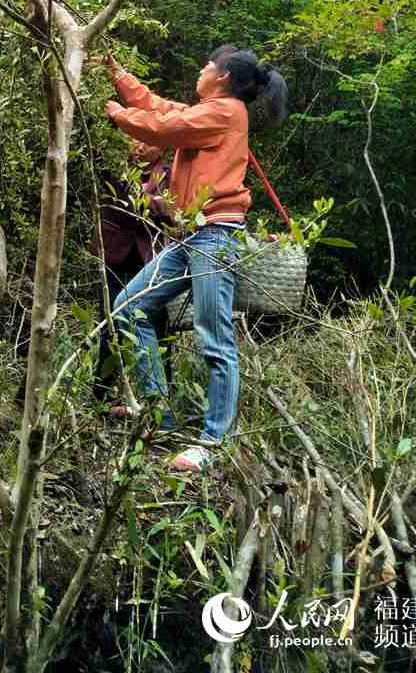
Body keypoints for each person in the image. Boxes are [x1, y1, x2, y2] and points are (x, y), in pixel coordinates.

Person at [103, 45, 288, 473]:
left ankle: (212, 440)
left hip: (214, 234)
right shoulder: (212, 110)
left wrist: (116, 114)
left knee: (215, 337)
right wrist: (116, 73)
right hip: (190, 234)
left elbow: (163, 128)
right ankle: (158, 413)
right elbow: (158, 107)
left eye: (208, 65)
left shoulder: (225, 113)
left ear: (222, 76)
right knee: (128, 309)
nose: (202, 69)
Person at [90, 141, 173, 404]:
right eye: (134, 138)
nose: (139, 146)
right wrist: (155, 206)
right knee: (112, 324)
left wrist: (149, 205)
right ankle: (101, 396)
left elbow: (175, 210)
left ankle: (160, 402)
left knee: (159, 329)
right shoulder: (114, 166)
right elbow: (126, 205)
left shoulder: (172, 174)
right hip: (114, 252)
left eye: (149, 141)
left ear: (163, 147)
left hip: (151, 258)